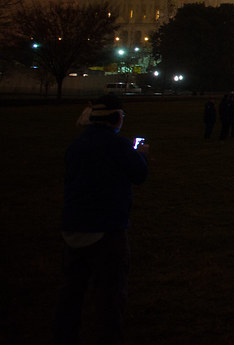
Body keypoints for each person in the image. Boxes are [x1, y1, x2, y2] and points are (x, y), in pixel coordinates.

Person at [54, 94, 149, 345]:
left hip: (73, 225)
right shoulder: (116, 145)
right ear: (117, 118)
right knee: (109, 294)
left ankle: (65, 334)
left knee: (71, 292)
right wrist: (139, 154)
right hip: (105, 228)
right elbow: (139, 174)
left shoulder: (77, 144)